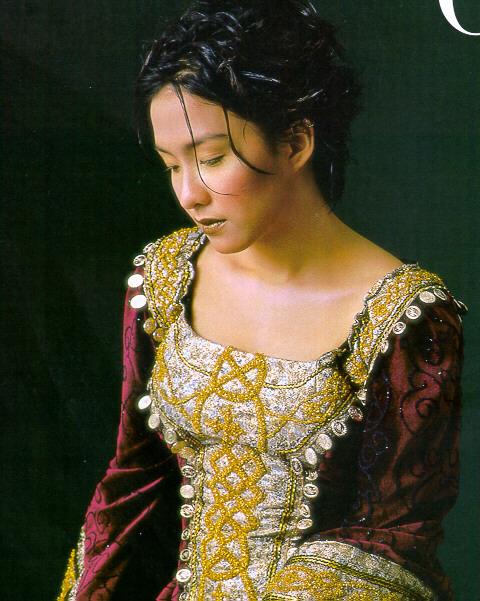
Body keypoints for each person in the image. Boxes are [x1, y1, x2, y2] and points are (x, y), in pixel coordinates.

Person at [57, 1, 468, 599]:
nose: (189, 194)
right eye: (171, 166)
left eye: (211, 159)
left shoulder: (405, 315)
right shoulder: (166, 278)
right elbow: (133, 480)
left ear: (296, 142)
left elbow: (393, 533)